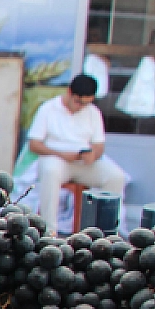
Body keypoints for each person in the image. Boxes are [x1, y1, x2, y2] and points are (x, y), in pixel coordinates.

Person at [28, 74, 126, 229]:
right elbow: (34, 144)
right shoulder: (48, 109)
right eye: (78, 102)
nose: (81, 106)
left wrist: (92, 155)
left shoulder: (93, 112)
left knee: (116, 176)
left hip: (83, 162)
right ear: (69, 92)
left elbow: (99, 146)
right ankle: (48, 231)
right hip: (56, 158)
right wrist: (62, 154)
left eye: (85, 103)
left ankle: (103, 230)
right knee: (50, 171)